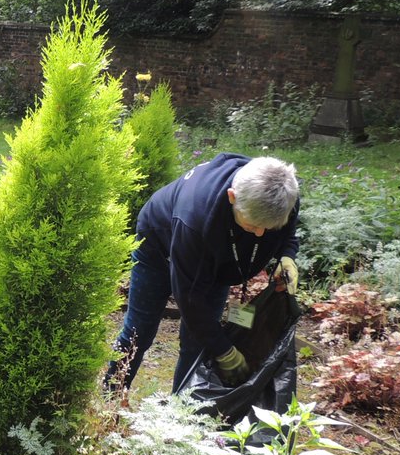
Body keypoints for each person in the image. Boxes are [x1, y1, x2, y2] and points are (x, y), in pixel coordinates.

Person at [105, 153, 300, 394]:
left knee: (198, 343)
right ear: (232, 197)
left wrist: (287, 255)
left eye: (268, 227)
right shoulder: (195, 218)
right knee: (139, 331)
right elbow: (189, 298)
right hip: (158, 246)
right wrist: (224, 350)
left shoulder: (282, 193)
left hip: (216, 255)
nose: (259, 233)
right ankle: (109, 398)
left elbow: (288, 231)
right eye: (251, 225)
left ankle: (182, 413)